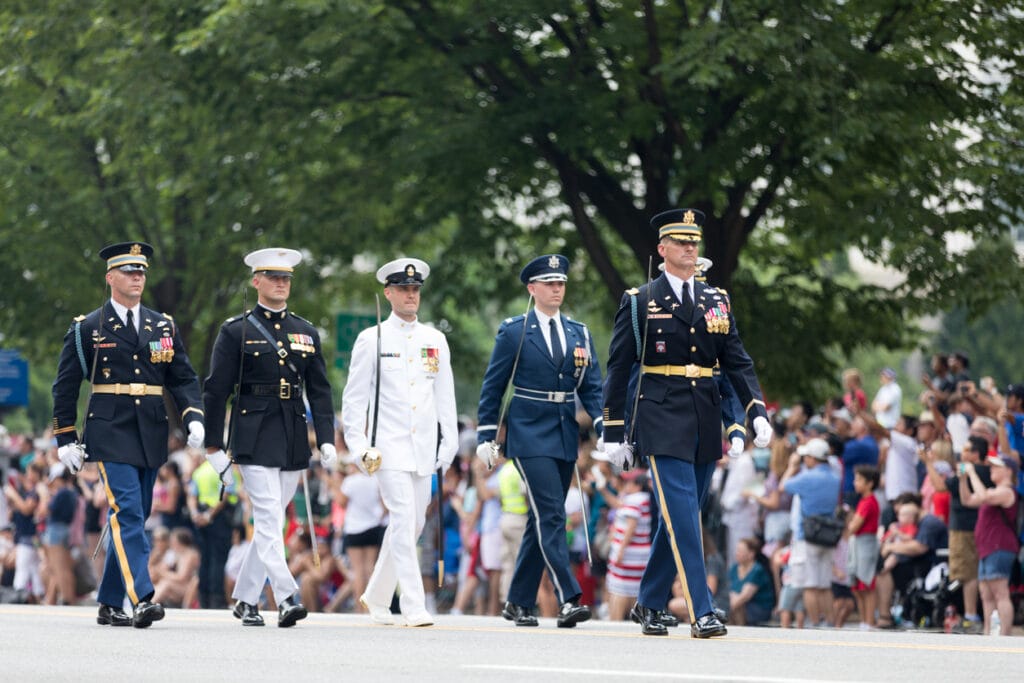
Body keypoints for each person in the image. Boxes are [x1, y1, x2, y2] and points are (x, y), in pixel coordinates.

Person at [601, 209, 772, 638]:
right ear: (662, 250)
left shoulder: (716, 299)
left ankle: (650, 602)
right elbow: (619, 367)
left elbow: (736, 360)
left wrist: (756, 410)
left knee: (682, 512)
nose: (690, 248)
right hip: (660, 413)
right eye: (680, 242)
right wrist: (613, 431)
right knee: (683, 515)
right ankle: (702, 609)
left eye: (693, 242)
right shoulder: (640, 300)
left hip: (704, 413)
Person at [51, 241, 205, 628]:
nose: (137, 277)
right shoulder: (88, 327)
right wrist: (65, 438)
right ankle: (142, 597)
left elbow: (182, 377)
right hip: (109, 428)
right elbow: (66, 386)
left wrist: (193, 417)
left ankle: (108, 600)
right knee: (129, 511)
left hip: (150, 428)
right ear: (110, 278)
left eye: (141, 271)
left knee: (134, 515)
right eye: (129, 271)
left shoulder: (162, 325)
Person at [203, 247, 337, 628]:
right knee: (266, 516)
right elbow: (216, 391)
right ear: (256, 281)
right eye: (273, 277)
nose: (281, 284)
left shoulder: (306, 332)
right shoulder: (235, 330)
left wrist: (325, 437)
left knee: (273, 519)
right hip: (252, 429)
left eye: (286, 278)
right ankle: (286, 594)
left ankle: (246, 600)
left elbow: (320, 390)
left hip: (292, 429)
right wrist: (213, 446)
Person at [476, 254, 604, 628]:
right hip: (528, 430)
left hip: (564, 428)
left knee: (540, 519)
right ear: (532, 289)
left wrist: (603, 425)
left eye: (561, 283)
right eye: (549, 283)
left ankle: (517, 601)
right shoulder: (515, 331)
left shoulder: (579, 332)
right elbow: (494, 385)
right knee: (552, 512)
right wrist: (487, 435)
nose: (557, 289)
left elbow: (591, 385)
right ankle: (569, 596)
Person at [342, 257, 458, 627]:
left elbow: (445, 395)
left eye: (415, 289)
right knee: (403, 516)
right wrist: (358, 446)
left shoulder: (434, 339)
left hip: (423, 448)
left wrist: (450, 441)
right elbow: (354, 399)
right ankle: (412, 604)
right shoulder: (371, 338)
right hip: (386, 447)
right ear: (388, 293)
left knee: (413, 526)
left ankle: (376, 595)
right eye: (404, 289)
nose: (411, 295)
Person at [781, 438, 842, 627]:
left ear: (813, 458)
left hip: (807, 535)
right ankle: (830, 623)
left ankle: (815, 623)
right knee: (824, 585)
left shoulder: (808, 477)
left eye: (806, 456)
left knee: (809, 585)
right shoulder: (834, 477)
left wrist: (792, 467)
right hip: (828, 534)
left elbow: (783, 486)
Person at [959, 455, 1020, 635]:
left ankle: (1004, 633)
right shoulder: (994, 491)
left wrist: (971, 473)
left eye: (996, 467)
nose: (991, 470)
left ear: (1008, 471)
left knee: (1000, 592)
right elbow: (967, 500)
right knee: (986, 594)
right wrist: (963, 479)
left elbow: (984, 496)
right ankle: (989, 632)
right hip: (987, 548)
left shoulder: (1007, 491)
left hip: (999, 546)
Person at [847, 465, 881, 629]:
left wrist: (851, 522)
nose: (855, 483)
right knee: (858, 586)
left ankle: (869, 620)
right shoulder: (864, 501)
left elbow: (854, 526)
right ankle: (864, 620)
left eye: (859, 480)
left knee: (866, 584)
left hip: (866, 543)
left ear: (869, 483)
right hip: (859, 543)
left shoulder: (869, 502)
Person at [728, 537, 775, 626]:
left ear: (751, 554)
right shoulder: (734, 568)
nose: (737, 553)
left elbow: (744, 596)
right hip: (738, 605)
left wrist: (724, 609)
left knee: (739, 605)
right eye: (737, 550)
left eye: (741, 551)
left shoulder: (757, 570)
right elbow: (729, 591)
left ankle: (739, 633)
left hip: (758, 608)